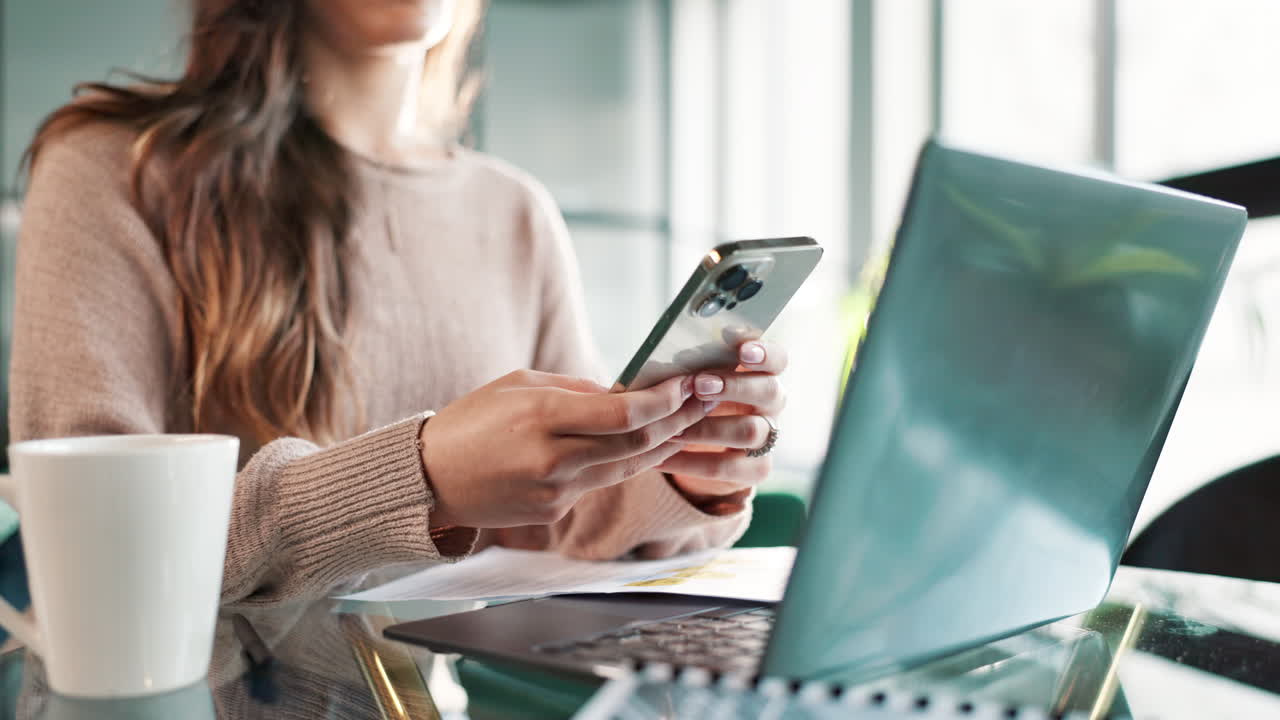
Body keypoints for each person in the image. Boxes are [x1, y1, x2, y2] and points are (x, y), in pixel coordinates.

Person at [11, 0, 788, 607]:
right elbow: (88, 549)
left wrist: (687, 471)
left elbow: (574, 518)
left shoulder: (513, 212)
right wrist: (421, 474)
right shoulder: (114, 172)